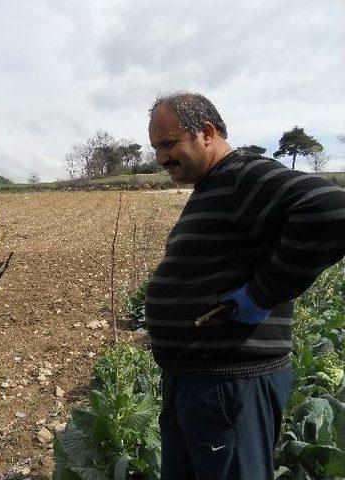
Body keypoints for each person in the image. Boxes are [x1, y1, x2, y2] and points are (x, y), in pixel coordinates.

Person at [145, 91, 345, 479]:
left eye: (168, 144)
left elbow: (332, 209)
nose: (161, 158)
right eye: (156, 148)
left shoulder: (241, 175)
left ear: (206, 132)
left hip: (229, 386)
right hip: (199, 384)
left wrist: (261, 295)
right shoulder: (215, 185)